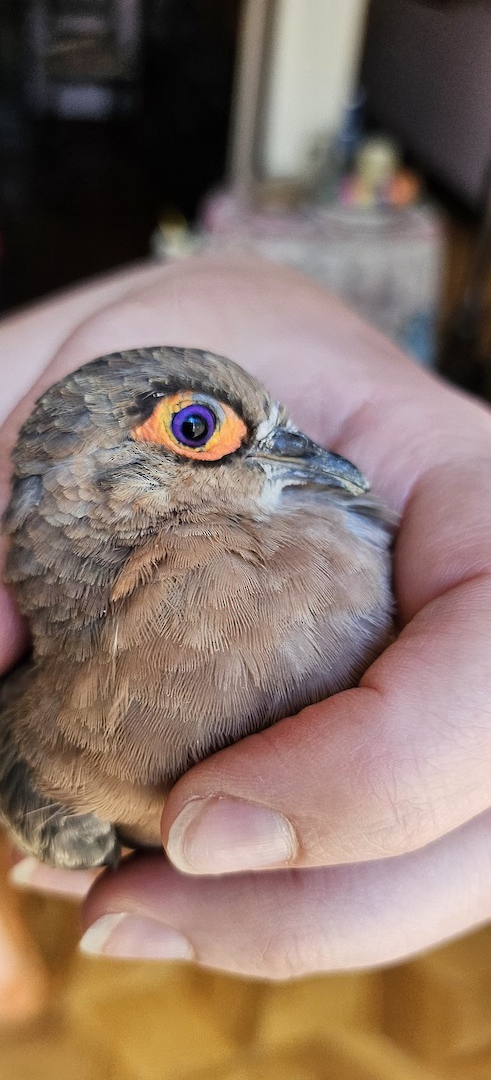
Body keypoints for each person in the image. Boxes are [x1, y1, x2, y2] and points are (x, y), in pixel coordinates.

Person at [2, 253, 491, 980]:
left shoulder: (334, 526)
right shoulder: (45, 753)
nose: (309, 461)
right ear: (86, 481)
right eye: (198, 426)